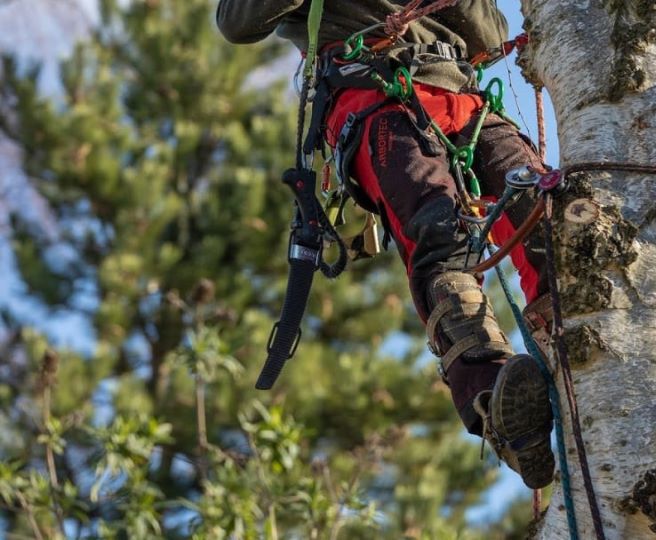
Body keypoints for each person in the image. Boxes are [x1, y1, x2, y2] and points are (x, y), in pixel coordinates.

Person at [216, 0, 556, 489]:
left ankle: (577, 339)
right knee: (439, 232)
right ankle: (494, 399)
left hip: (463, 98)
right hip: (372, 92)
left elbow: (489, 36)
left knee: (550, 221)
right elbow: (237, 21)